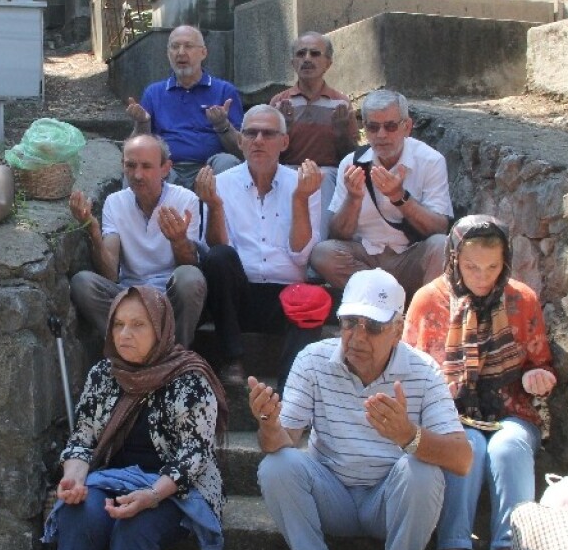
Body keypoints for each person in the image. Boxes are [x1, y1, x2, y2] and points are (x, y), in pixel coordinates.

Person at [251, 267, 471, 550]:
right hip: (331, 493)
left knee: (423, 470)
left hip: (388, 502)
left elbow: (462, 459)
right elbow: (281, 442)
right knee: (276, 466)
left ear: (398, 330)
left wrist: (409, 435)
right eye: (350, 322)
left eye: (373, 326)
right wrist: (268, 423)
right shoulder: (313, 359)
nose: (356, 337)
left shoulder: (422, 371)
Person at [39, 286, 226, 550]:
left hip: (176, 490)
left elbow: (194, 457)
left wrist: (152, 496)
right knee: (77, 511)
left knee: (135, 527)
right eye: (119, 324)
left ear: (161, 328)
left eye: (138, 325)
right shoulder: (105, 374)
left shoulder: (190, 379)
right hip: (113, 479)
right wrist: (73, 479)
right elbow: (83, 440)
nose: (125, 334)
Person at [403, 215, 555, 550]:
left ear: (506, 262)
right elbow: (411, 372)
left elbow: (540, 364)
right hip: (448, 413)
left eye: (492, 267)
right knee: (467, 446)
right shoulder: (428, 301)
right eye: (472, 267)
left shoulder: (521, 300)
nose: (483, 278)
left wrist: (536, 377)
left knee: (507, 448)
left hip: (511, 410)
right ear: (453, 260)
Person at [194, 104, 325, 388]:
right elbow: (216, 250)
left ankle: (291, 388)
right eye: (251, 133)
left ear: (284, 142)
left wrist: (300, 199)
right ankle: (232, 358)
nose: (259, 141)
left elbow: (301, 255)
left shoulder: (302, 184)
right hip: (238, 295)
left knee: (312, 299)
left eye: (268, 133)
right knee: (217, 258)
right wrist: (214, 206)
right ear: (240, 141)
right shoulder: (221, 184)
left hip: (285, 294)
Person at [310, 89, 451, 298]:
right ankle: (383, 300)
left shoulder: (431, 161)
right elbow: (338, 233)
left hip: (412, 255)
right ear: (363, 130)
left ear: (407, 127)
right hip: (365, 258)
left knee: (442, 247)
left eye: (390, 126)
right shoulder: (350, 164)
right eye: (373, 127)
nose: (381, 135)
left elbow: (440, 228)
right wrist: (353, 199)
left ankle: (418, 307)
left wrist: (400, 197)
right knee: (323, 254)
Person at [69, 134, 206, 347]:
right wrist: (93, 230)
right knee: (82, 282)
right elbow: (110, 272)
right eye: (130, 166)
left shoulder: (185, 200)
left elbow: (190, 265)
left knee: (191, 278)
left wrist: (178, 240)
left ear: (165, 168)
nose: (137, 175)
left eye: (146, 167)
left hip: (168, 297)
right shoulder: (115, 202)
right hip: (128, 295)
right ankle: (128, 350)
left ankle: (175, 354)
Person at [125, 25, 243, 189]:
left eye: (188, 46)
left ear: (203, 53)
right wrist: (142, 122)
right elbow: (138, 146)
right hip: (167, 167)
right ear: (168, 54)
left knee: (229, 163)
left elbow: (241, 150)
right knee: (136, 168)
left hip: (209, 166)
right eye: (175, 47)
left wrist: (222, 125)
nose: (180, 52)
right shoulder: (154, 93)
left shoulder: (224, 90)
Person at [270, 32, 358, 219]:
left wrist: (341, 133)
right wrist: (281, 133)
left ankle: (321, 246)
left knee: (323, 178)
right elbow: (268, 154)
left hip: (327, 173)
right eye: (301, 54)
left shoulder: (340, 103)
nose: (307, 59)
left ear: (328, 63)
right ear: (293, 62)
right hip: (289, 170)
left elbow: (350, 157)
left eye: (315, 54)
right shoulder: (279, 102)